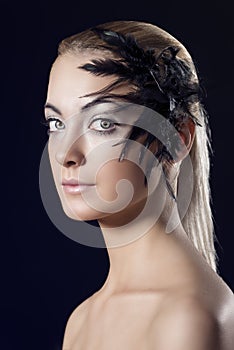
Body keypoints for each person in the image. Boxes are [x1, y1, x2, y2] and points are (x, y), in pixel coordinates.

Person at [43, 20, 234, 349]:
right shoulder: (82, 318)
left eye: (103, 124)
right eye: (56, 123)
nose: (66, 155)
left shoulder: (188, 318)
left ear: (176, 138)